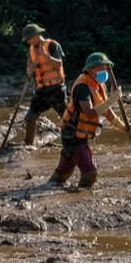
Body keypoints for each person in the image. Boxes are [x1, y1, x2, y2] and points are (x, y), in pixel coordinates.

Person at [45, 53, 115, 191]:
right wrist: (112, 101)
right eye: (101, 68)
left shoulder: (100, 85)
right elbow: (89, 113)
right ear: (90, 69)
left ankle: (51, 183)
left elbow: (106, 110)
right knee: (90, 173)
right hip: (72, 135)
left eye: (106, 68)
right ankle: (80, 196)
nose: (105, 72)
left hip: (81, 134)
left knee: (61, 175)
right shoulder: (82, 87)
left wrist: (121, 125)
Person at [21, 24, 67, 141]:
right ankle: (29, 144)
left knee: (67, 118)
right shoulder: (31, 50)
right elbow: (28, 69)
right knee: (30, 117)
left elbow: (59, 64)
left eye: (30, 38)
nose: (28, 42)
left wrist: (45, 55)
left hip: (56, 89)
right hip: (42, 91)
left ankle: (70, 145)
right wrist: (29, 70)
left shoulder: (52, 45)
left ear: (37, 35)